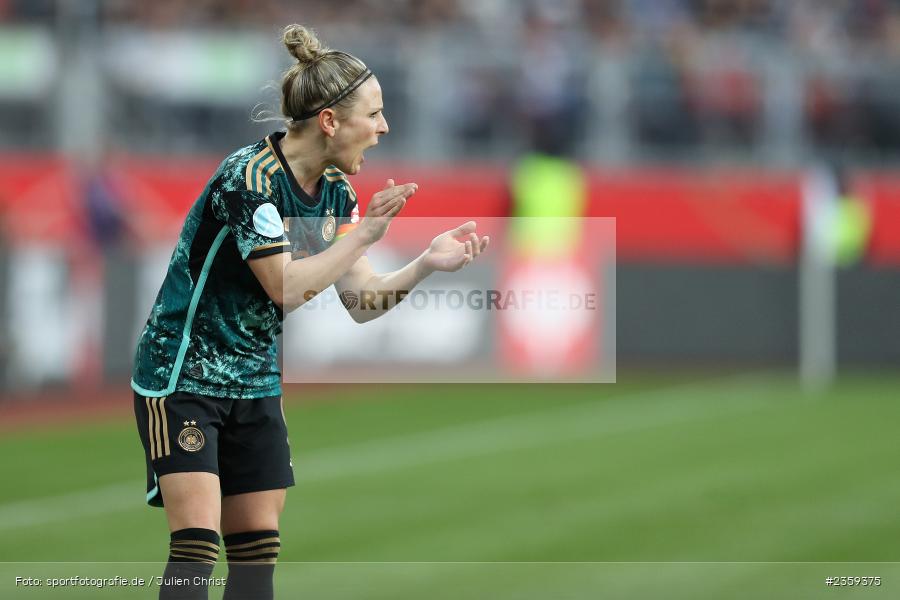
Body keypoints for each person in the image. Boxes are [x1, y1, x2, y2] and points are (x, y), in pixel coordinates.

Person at [131, 24, 489, 600]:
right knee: (196, 547)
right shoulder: (250, 179)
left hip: (254, 381)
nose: (383, 127)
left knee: (255, 556)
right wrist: (366, 235)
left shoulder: (334, 194)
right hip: (182, 376)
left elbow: (362, 303)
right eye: (373, 114)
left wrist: (426, 263)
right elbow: (283, 287)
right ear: (329, 121)